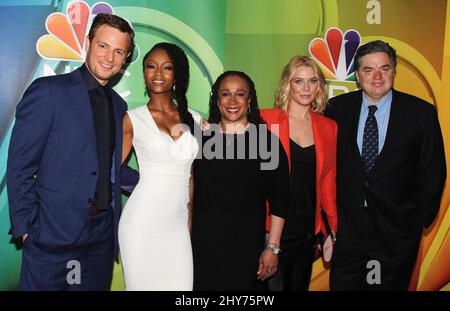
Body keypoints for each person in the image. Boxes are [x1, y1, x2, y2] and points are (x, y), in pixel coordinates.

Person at [7, 13, 138, 290]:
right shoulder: (48, 92)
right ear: (88, 43)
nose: (109, 57)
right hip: (51, 235)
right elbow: (20, 164)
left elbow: (108, 167)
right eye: (103, 46)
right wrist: (26, 227)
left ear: (125, 59)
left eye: (118, 51)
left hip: (99, 240)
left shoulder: (118, 106)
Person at [325, 40, 446, 290]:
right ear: (357, 76)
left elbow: (434, 171)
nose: (377, 76)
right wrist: (327, 227)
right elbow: (326, 169)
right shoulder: (336, 109)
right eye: (368, 70)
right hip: (347, 233)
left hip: (396, 234)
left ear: (394, 71)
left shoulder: (420, 113)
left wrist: (418, 221)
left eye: (385, 68)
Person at [191, 71, 289, 291]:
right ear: (217, 100)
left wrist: (272, 249)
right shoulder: (200, 140)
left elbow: (280, 202)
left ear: (250, 99)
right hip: (202, 247)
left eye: (240, 94)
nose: (232, 101)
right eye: (225, 94)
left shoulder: (267, 143)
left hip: (246, 249)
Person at [119, 42, 201, 291]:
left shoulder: (195, 119)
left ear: (177, 75)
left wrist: (188, 222)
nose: (157, 74)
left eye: (167, 68)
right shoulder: (132, 119)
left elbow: (191, 179)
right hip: (141, 224)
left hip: (177, 227)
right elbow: (109, 171)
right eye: (150, 67)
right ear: (143, 73)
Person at [260, 56, 338, 291]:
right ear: (287, 84)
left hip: (306, 232)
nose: (306, 88)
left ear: (319, 86)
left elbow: (327, 182)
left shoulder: (328, 127)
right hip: (270, 227)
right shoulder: (265, 120)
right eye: (298, 81)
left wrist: (332, 228)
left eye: (312, 81)